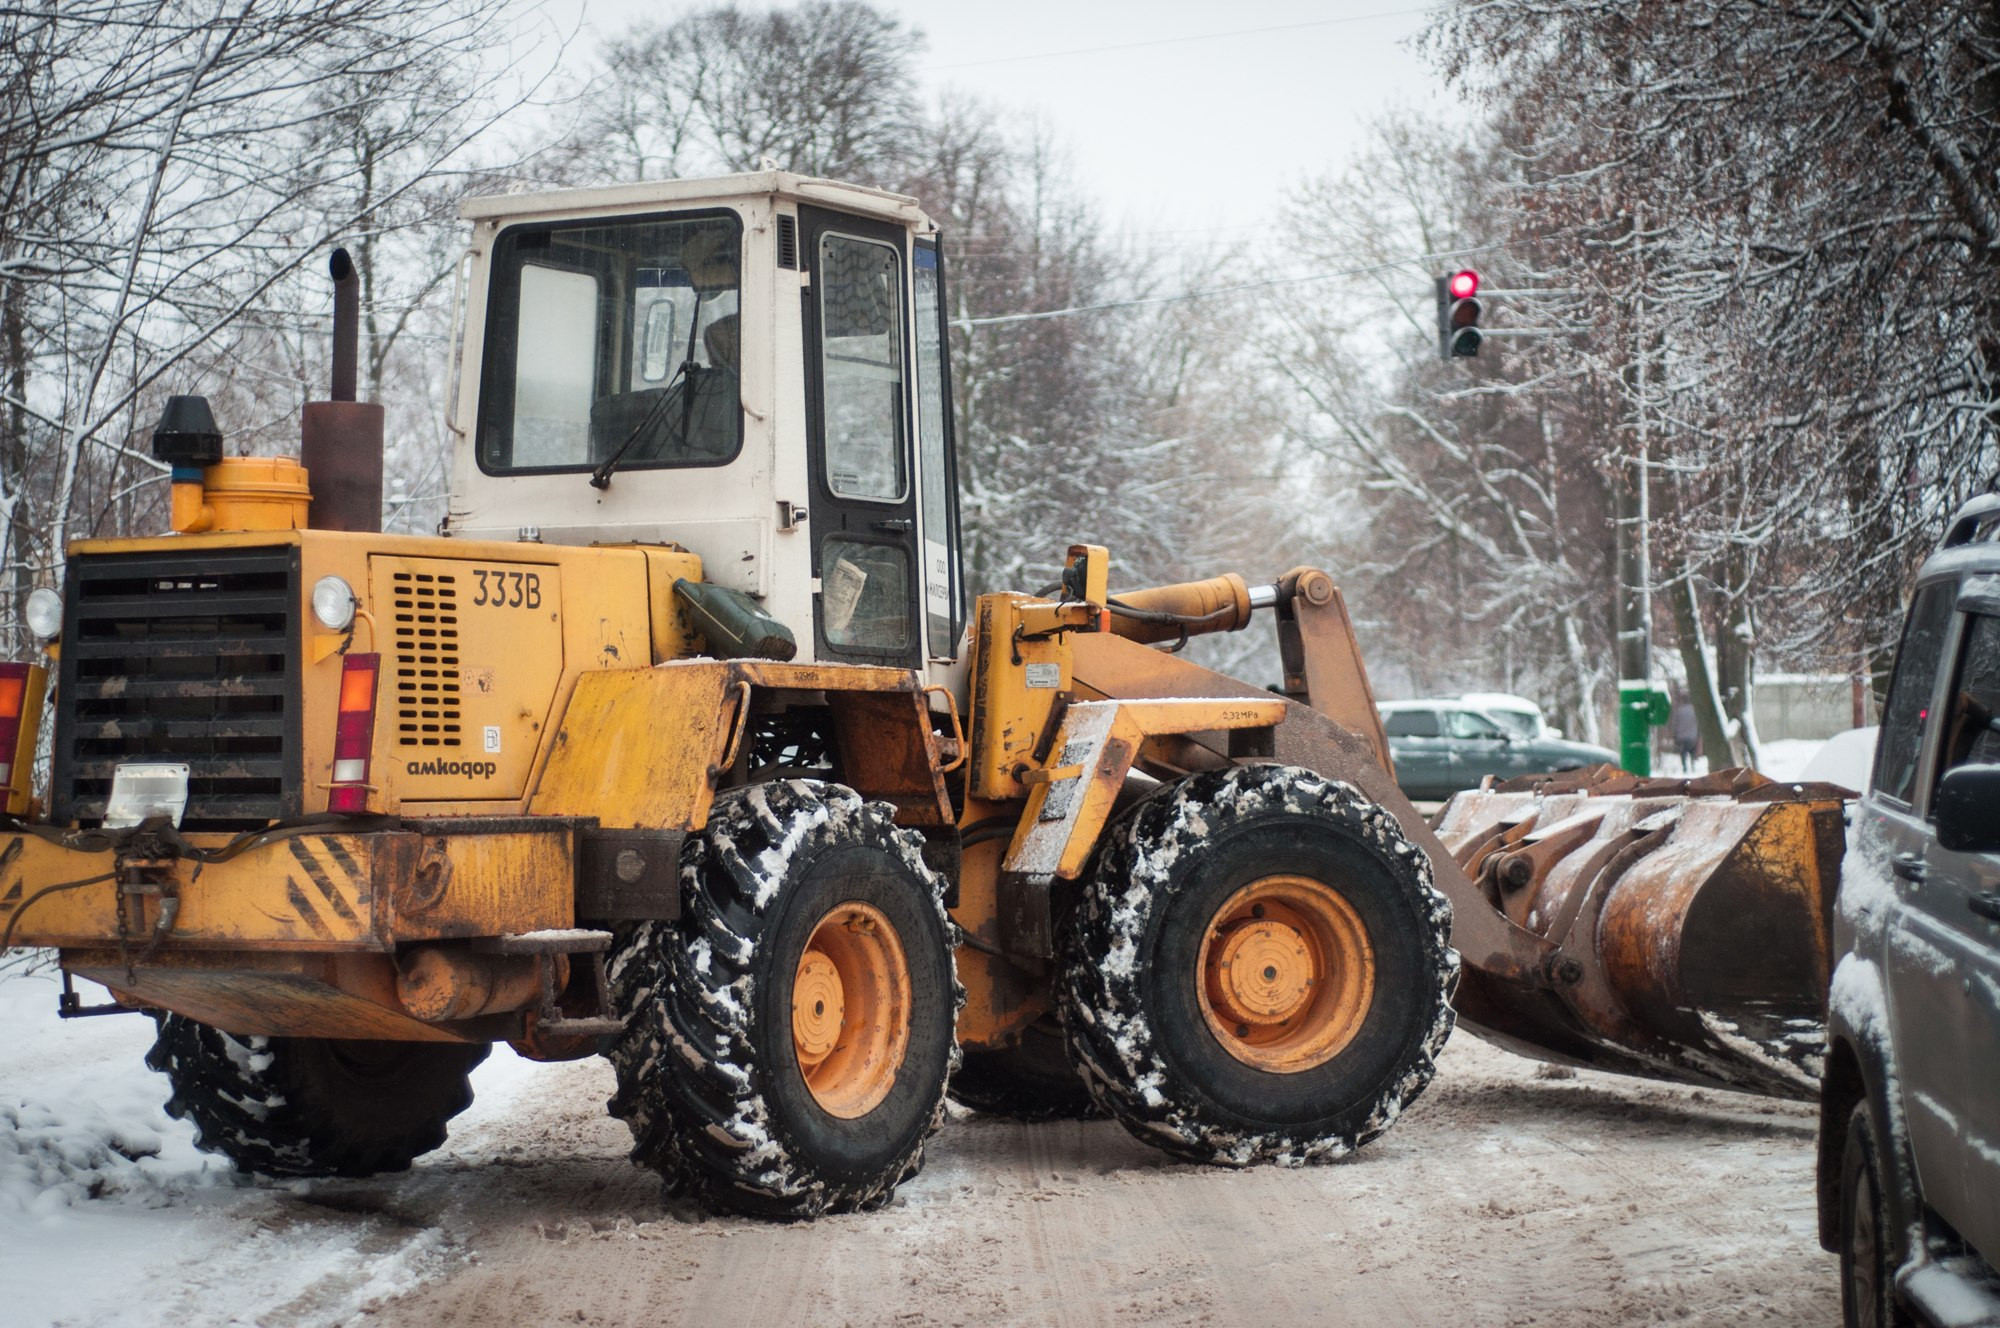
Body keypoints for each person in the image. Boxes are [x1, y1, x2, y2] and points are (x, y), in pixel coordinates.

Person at [1670, 696, 1700, 773]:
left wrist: (1674, 733)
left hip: (1682, 736)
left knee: (1683, 752)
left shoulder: (1679, 711)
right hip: (1692, 735)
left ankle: (1685, 768)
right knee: (1692, 751)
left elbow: (1675, 723)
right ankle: (1693, 766)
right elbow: (1698, 723)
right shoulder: (1695, 711)